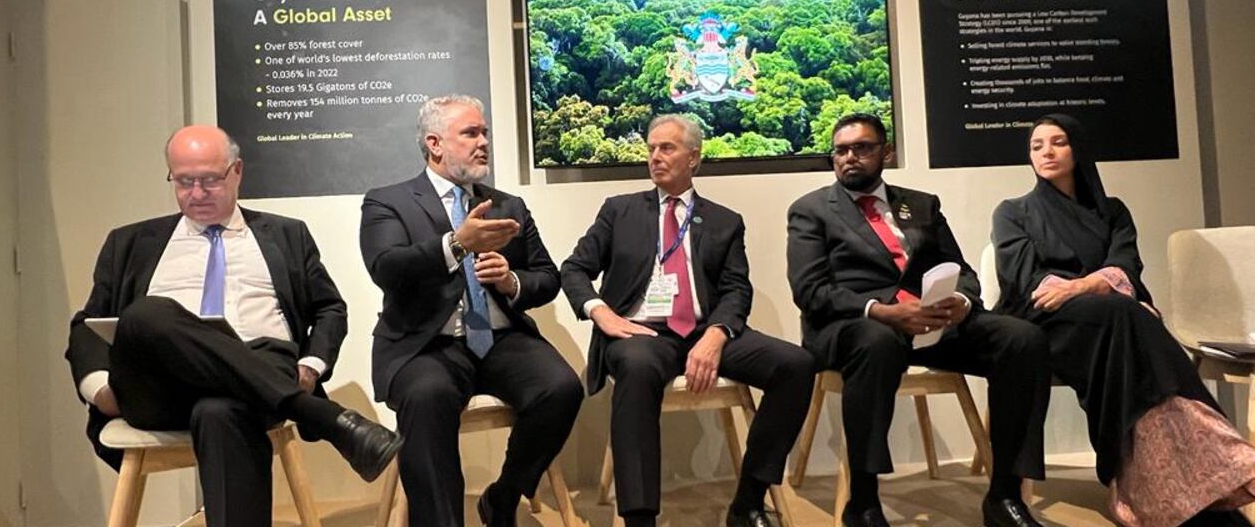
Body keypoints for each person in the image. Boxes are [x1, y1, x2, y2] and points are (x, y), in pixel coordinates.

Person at [65, 125, 402, 527]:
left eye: (209, 179)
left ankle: (305, 405)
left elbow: (329, 308)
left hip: (257, 375)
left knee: (220, 412)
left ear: (237, 171)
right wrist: (99, 388)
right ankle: (320, 416)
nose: (196, 192)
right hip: (159, 388)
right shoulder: (131, 242)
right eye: (183, 180)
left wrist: (311, 367)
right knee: (146, 314)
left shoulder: (286, 234)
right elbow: (86, 325)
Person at [786, 112, 1051, 527]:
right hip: (851, 326)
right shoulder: (812, 211)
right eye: (841, 151)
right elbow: (810, 292)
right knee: (878, 341)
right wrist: (884, 311)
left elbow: (960, 268)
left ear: (885, 153)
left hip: (931, 323)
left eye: (862, 148)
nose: (850, 157)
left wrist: (962, 301)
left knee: (1023, 339)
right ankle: (864, 500)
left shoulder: (921, 205)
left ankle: (1004, 494)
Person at [992, 114, 1255, 527]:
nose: (1046, 152)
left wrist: (1080, 287)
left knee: (1123, 314)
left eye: (1057, 142)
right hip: (1045, 325)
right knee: (1128, 313)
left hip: (1110, 327)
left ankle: (1172, 479)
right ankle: (1187, 469)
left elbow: (1126, 265)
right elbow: (1027, 282)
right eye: (1036, 145)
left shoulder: (1112, 212)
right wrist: (1098, 288)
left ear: (1077, 148)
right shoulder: (1013, 212)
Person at [560, 114, 814, 527]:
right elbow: (573, 269)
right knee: (638, 368)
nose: (654, 157)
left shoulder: (723, 221)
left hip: (704, 328)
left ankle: (748, 501)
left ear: (693, 158)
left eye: (667, 148)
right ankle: (640, 517)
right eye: (651, 148)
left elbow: (737, 290)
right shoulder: (619, 211)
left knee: (797, 365)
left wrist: (716, 334)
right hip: (641, 332)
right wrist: (600, 312)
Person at [359, 94, 583, 527]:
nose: (483, 142)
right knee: (427, 399)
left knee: (561, 388)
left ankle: (503, 496)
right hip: (425, 344)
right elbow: (386, 268)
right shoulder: (388, 202)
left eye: (484, 132)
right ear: (435, 143)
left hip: (501, 338)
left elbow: (547, 277)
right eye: (470, 133)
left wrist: (510, 280)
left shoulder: (507, 205)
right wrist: (457, 243)